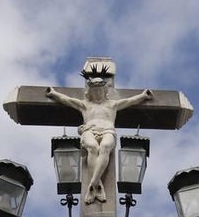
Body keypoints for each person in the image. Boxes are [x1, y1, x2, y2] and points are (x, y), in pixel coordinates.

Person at [46, 76, 153, 204]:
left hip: (108, 130)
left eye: (99, 90)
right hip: (89, 130)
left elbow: (129, 101)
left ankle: (92, 184)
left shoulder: (112, 104)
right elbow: (67, 100)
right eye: (94, 91)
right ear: (90, 92)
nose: (97, 93)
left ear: (104, 90)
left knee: (105, 146)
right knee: (92, 147)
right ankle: (97, 185)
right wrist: (53, 94)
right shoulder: (85, 105)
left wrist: (143, 96)